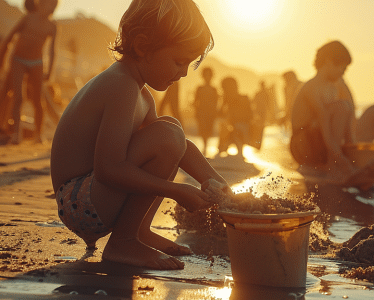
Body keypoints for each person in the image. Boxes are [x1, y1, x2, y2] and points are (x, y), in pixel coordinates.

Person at [50, 0, 231, 270]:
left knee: (170, 131)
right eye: (179, 61)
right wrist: (176, 191)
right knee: (168, 135)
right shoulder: (121, 85)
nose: (183, 73)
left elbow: (176, 148)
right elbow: (108, 169)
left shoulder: (141, 93)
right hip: (79, 203)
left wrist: (222, 189)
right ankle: (123, 242)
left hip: (89, 199)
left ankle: (138, 232)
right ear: (142, 46)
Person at [290, 40, 374, 191]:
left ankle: (344, 166)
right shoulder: (311, 87)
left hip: (323, 143)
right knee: (341, 107)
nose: (343, 73)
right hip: (303, 146)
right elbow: (324, 118)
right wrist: (338, 156)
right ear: (328, 62)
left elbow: (351, 106)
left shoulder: (335, 85)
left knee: (346, 106)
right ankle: (334, 167)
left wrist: (353, 150)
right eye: (342, 69)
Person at [0, 0, 58, 144]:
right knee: (18, 97)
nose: (52, 8)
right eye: (49, 4)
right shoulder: (28, 18)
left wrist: (49, 71)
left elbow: (52, 51)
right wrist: (1, 59)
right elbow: (9, 37)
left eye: (54, 5)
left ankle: (39, 135)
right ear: (41, 4)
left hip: (37, 62)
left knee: (38, 100)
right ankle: (15, 134)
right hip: (18, 59)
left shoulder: (52, 26)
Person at [219, 76, 252, 157]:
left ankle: (232, 149)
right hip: (235, 125)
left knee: (234, 132)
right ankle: (227, 148)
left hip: (241, 125)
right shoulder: (228, 98)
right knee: (230, 131)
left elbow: (250, 113)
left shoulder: (243, 98)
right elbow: (221, 112)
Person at [192, 66, 218, 156]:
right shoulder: (199, 88)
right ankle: (205, 147)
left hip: (210, 113)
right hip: (202, 113)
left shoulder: (214, 89)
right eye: (206, 75)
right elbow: (196, 101)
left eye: (209, 75)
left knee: (208, 130)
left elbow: (216, 103)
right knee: (203, 130)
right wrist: (197, 112)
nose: (207, 77)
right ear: (203, 76)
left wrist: (215, 113)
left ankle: (205, 147)